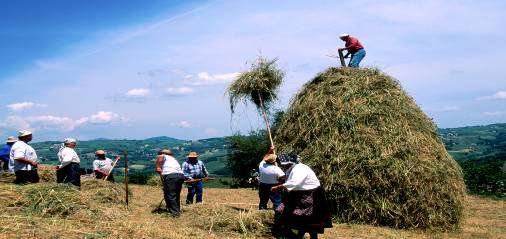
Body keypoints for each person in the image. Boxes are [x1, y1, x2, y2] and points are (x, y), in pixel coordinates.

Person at [271, 154, 332, 239]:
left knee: (309, 219)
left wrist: (278, 187)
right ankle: (289, 233)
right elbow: (289, 177)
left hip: (310, 195)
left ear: (289, 162)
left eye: (282, 164)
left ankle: (307, 236)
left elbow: (294, 182)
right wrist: (283, 178)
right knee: (286, 212)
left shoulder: (299, 169)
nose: (281, 165)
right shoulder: (292, 168)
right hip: (297, 194)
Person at [155, 149, 185, 217]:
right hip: (180, 176)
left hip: (170, 176)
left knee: (170, 195)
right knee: (176, 195)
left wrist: (158, 167)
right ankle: (175, 210)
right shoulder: (173, 159)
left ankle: (174, 214)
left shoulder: (162, 156)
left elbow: (159, 161)